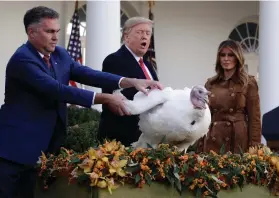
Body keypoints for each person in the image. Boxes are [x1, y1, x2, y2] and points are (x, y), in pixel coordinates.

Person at [0, 6, 162, 198]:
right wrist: (105, 98)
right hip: (13, 151)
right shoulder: (22, 60)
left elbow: (87, 74)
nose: (55, 36)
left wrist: (129, 81)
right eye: (49, 31)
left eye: (57, 31)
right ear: (31, 32)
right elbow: (57, 90)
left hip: (44, 147)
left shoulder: (60, 54)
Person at [98, 17, 159, 146]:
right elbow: (118, 99)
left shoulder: (147, 64)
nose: (145, 37)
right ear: (126, 37)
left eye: (148, 34)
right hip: (122, 137)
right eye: (140, 32)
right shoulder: (114, 60)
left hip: (147, 136)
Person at [196, 39, 261, 154]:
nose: (226, 59)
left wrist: (254, 146)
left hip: (237, 140)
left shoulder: (248, 83)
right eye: (223, 55)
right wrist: (200, 144)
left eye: (231, 55)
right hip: (213, 138)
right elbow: (204, 117)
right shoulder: (210, 83)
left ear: (238, 57)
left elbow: (254, 118)